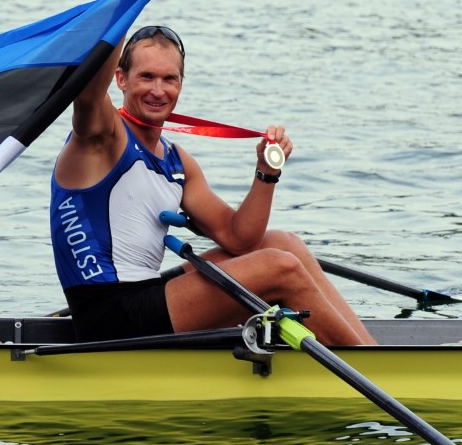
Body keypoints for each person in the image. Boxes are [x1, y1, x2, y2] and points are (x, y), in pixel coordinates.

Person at [50, 18, 376, 346]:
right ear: (120, 78)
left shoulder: (178, 161)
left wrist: (267, 172)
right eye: (146, 77)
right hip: (108, 318)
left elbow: (239, 239)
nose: (158, 90)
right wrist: (124, 11)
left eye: (169, 79)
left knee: (283, 244)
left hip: (146, 296)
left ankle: (371, 350)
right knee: (280, 267)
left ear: (181, 84)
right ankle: (373, 365)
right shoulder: (102, 138)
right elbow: (88, 95)